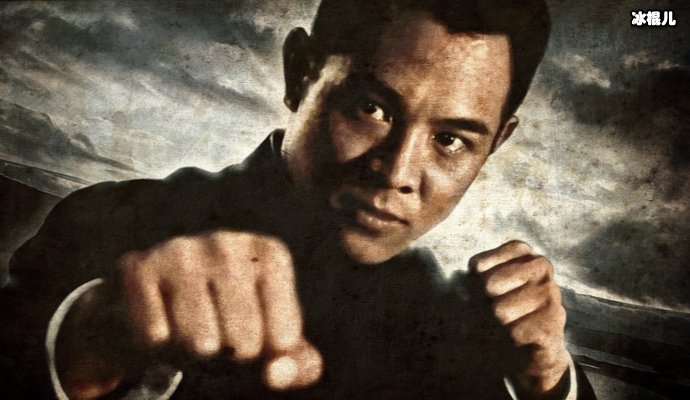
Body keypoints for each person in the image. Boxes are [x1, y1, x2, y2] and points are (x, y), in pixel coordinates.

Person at [0, 0, 597, 399]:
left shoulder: (453, 324)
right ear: (299, 74)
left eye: (450, 140)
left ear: (495, 145)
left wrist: (546, 380)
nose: (396, 173)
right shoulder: (113, 223)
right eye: (372, 108)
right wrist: (91, 348)